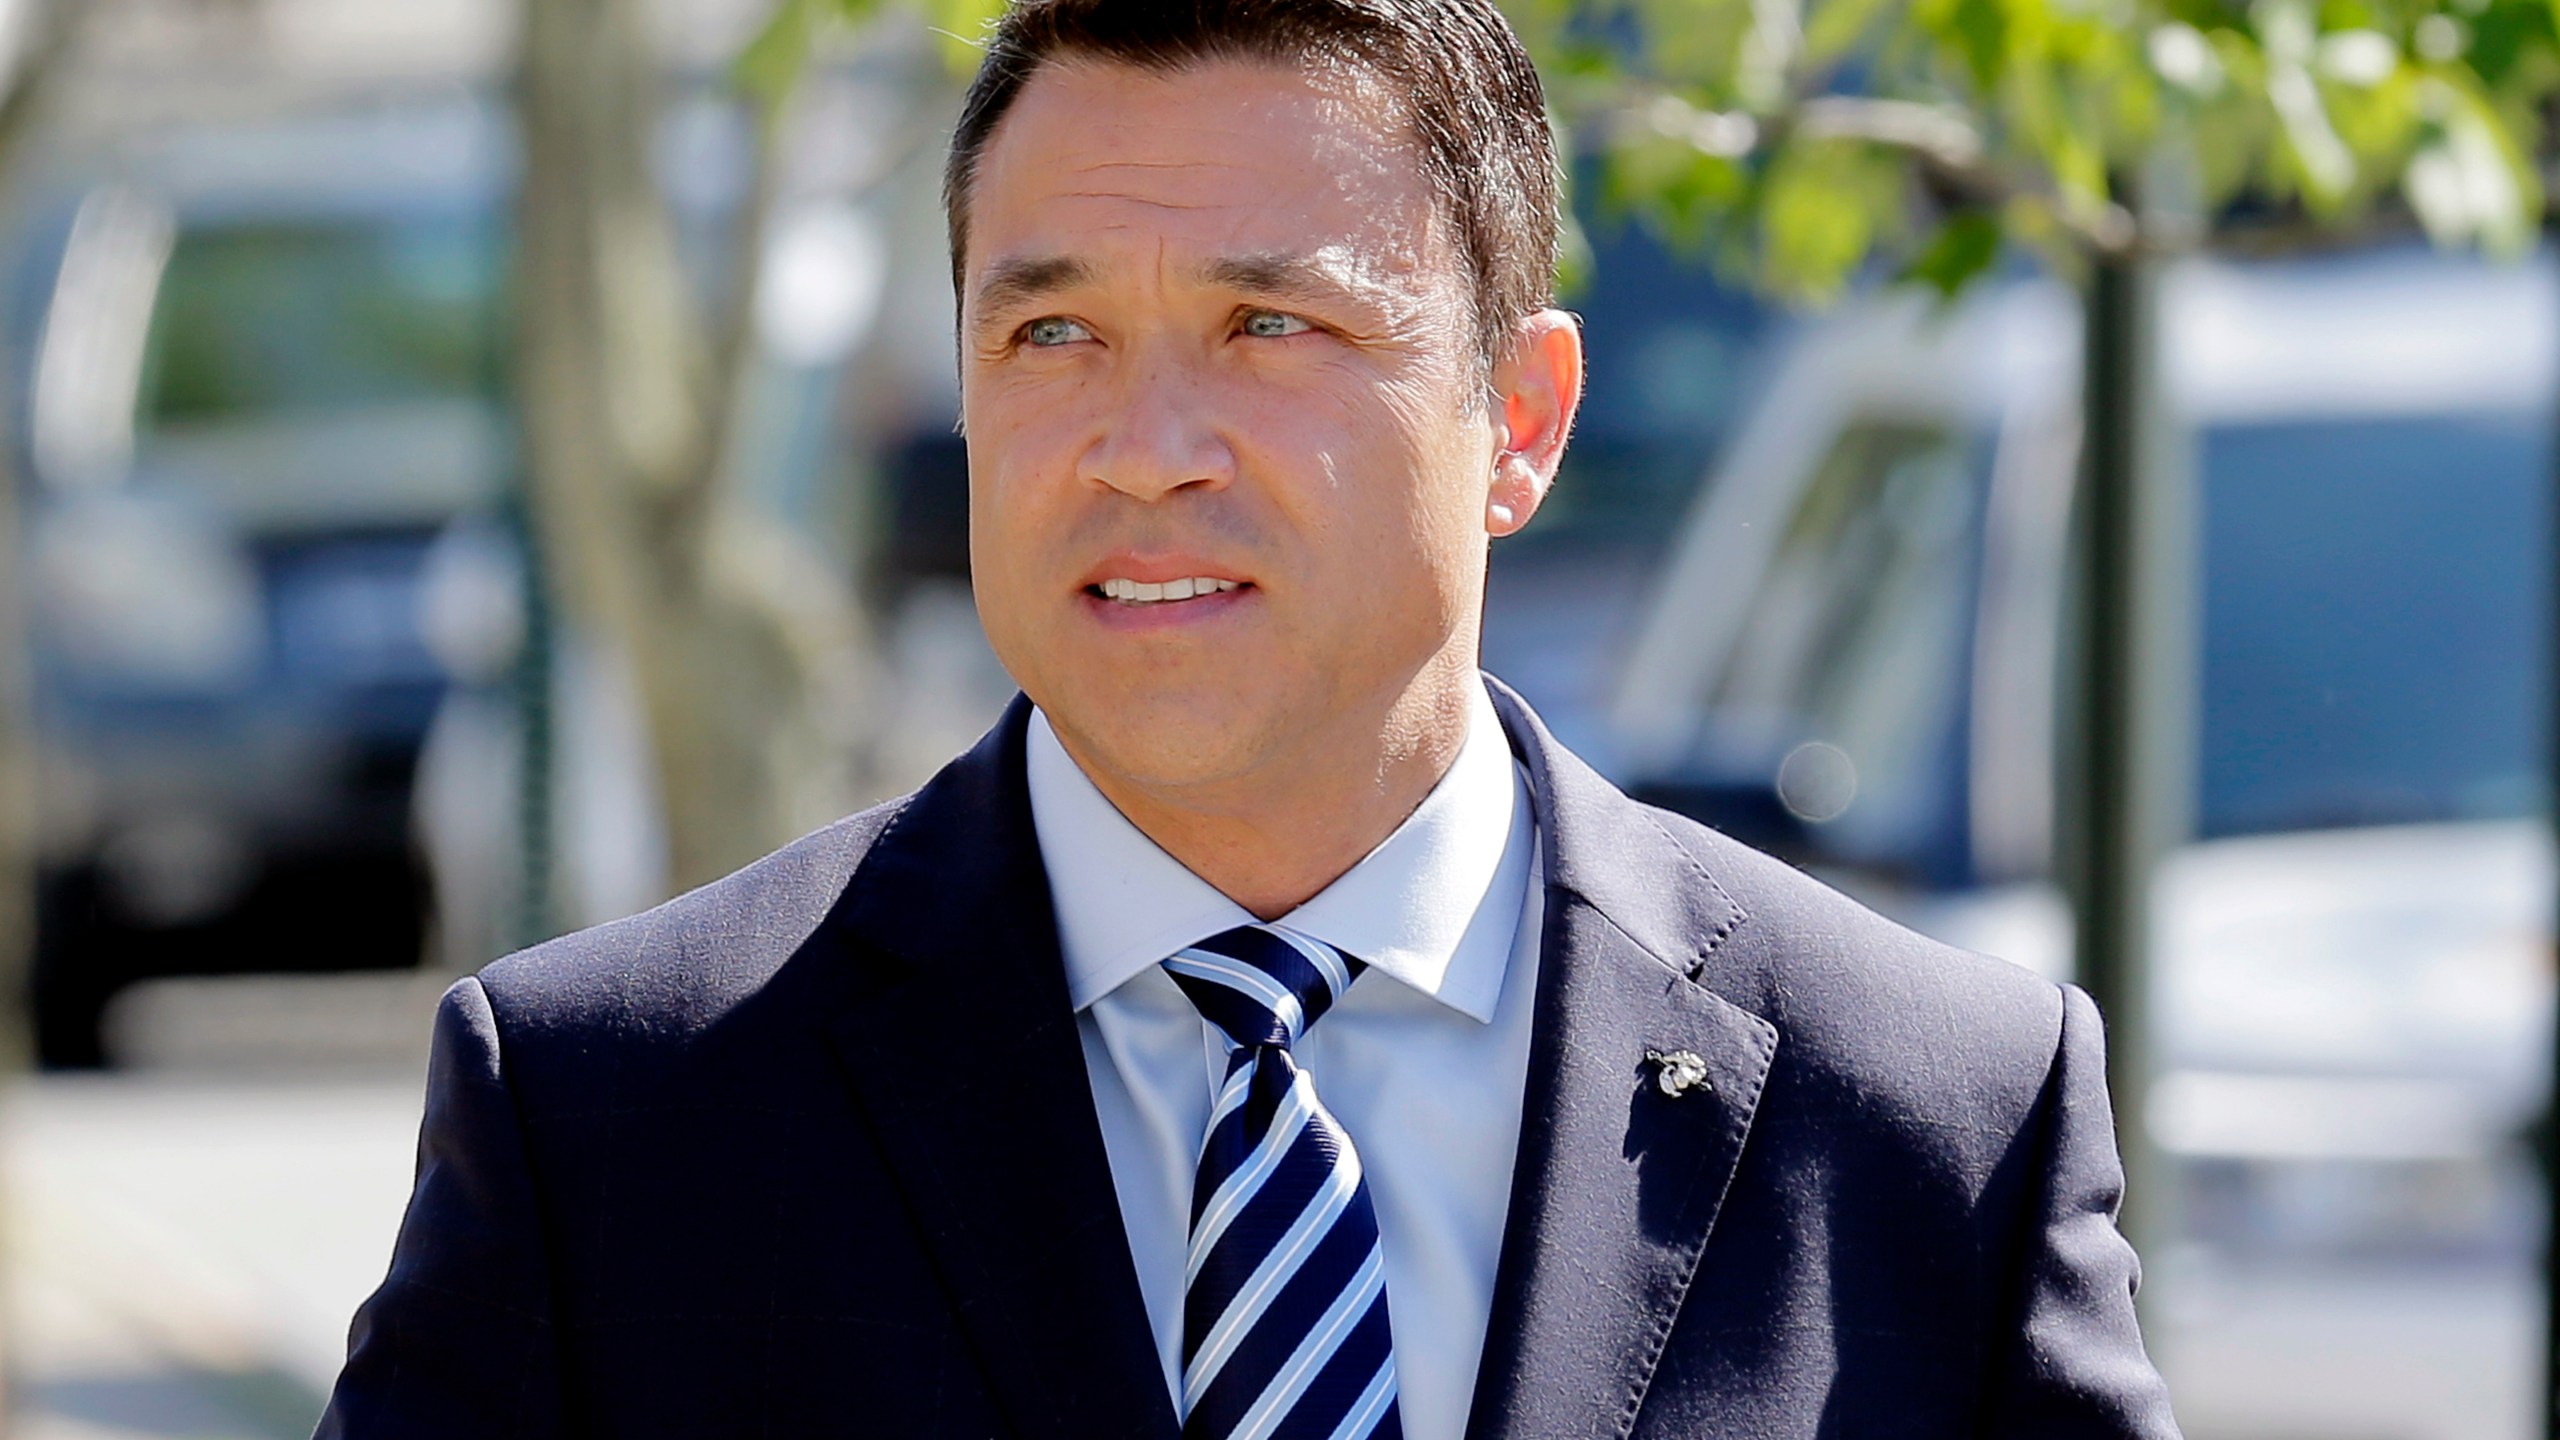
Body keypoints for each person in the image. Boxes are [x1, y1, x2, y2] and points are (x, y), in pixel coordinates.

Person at [319, 1, 2181, 1435]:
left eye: (1267, 329)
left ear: (1519, 423)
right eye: (1050, 338)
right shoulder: (609, 1127)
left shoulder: (1933, 1124)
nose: (1143, 453)